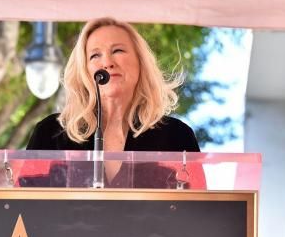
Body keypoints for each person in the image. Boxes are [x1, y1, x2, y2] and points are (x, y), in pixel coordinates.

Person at [25, 18, 200, 187]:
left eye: (118, 51)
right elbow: (23, 206)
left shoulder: (177, 135)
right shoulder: (49, 133)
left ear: (140, 62)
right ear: (84, 70)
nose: (107, 63)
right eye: (95, 55)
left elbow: (200, 209)